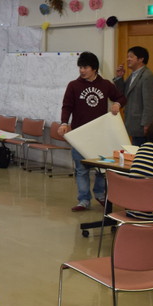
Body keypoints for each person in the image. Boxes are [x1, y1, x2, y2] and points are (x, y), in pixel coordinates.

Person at [57, 51, 126, 211]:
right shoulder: (73, 85)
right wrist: (64, 123)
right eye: (80, 67)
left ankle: (100, 194)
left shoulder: (106, 85)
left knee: (102, 168)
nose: (82, 70)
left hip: (100, 135)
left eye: (85, 67)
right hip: (80, 135)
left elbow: (121, 97)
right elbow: (67, 106)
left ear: (94, 68)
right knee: (81, 169)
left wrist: (117, 104)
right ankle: (83, 200)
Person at [113, 46, 153, 146]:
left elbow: (150, 103)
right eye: (127, 56)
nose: (128, 59)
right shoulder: (133, 75)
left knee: (143, 152)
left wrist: (147, 124)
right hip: (134, 125)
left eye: (131, 56)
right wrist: (119, 77)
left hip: (143, 126)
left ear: (141, 59)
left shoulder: (147, 76)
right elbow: (122, 94)